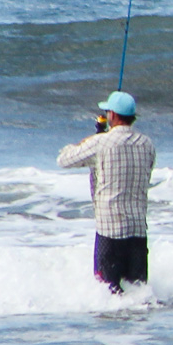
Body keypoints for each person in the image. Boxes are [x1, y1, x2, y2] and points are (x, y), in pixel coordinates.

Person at [57, 91, 157, 293]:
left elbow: (64, 159)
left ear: (112, 115)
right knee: (138, 297)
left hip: (109, 232)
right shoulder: (147, 144)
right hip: (137, 231)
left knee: (108, 297)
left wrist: (91, 139)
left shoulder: (101, 143)